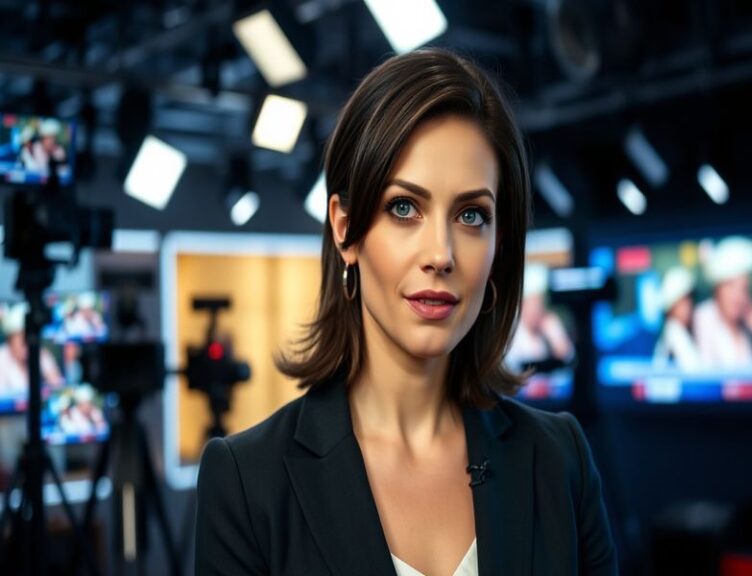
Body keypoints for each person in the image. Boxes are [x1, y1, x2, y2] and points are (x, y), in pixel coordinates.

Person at [195, 48, 617, 576]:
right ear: (345, 229)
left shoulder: (561, 459)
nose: (440, 254)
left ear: (498, 245)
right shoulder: (246, 480)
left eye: (470, 215)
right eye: (404, 208)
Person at [693, 236, 752, 366]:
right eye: (731, 286)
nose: (738, 297)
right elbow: (709, 373)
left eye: (744, 289)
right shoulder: (705, 316)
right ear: (718, 289)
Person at [504, 263, 574, 371]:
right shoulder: (509, 331)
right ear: (522, 305)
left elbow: (570, 361)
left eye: (540, 304)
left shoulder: (547, 324)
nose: (538, 310)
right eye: (533, 304)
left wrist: (556, 335)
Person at [0, 303, 64, 394]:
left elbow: (58, 389)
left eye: (30, 336)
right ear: (10, 338)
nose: (27, 342)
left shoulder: (41, 354)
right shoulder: (2, 358)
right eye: (22, 336)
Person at [653, 266, 701, 370]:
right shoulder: (674, 331)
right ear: (672, 306)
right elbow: (695, 372)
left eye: (690, 299)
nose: (689, 305)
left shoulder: (676, 331)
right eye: (683, 301)